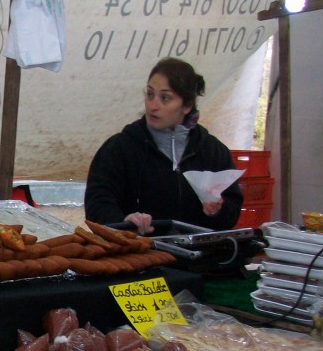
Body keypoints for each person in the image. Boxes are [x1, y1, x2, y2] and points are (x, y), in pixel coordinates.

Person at [84, 57, 243, 234]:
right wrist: (123, 223)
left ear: (187, 105)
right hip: (138, 256)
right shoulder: (119, 148)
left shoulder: (213, 151)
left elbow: (232, 211)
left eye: (165, 98)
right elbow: (97, 203)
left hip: (199, 257)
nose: (153, 106)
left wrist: (218, 210)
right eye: (150, 94)